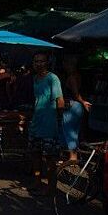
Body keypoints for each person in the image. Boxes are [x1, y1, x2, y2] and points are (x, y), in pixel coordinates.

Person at [28, 51, 64, 195]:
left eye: (41, 61)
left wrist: (59, 120)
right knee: (35, 155)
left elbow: (59, 101)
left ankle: (51, 187)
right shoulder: (35, 79)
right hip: (36, 123)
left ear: (47, 62)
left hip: (49, 125)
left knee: (50, 159)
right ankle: (37, 183)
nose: (38, 64)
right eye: (36, 61)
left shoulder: (52, 78)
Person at [60, 56, 91, 161]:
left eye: (65, 63)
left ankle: (73, 157)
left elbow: (76, 93)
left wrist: (82, 101)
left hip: (72, 106)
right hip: (77, 107)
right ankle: (72, 156)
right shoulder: (78, 76)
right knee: (74, 132)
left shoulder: (72, 77)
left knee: (69, 132)